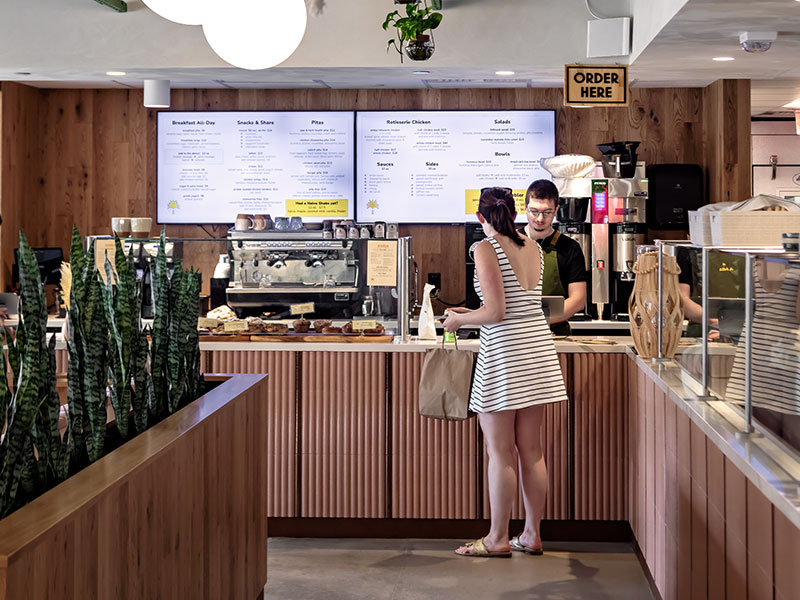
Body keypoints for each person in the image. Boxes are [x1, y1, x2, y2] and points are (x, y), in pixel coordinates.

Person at [443, 187, 568, 558]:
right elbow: (510, 305)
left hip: (505, 357)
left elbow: (496, 314)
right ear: (514, 213)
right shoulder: (533, 247)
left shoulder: (484, 248)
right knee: (532, 451)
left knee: (500, 452)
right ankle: (531, 534)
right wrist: (470, 313)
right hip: (538, 353)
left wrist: (453, 321)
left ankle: (498, 538)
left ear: (480, 217)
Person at [519, 180, 587, 336]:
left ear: (556, 210)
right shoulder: (510, 243)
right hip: (515, 334)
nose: (540, 219)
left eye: (547, 212)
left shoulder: (570, 248)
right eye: (534, 211)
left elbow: (578, 299)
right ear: (525, 207)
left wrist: (539, 324)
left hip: (555, 334)